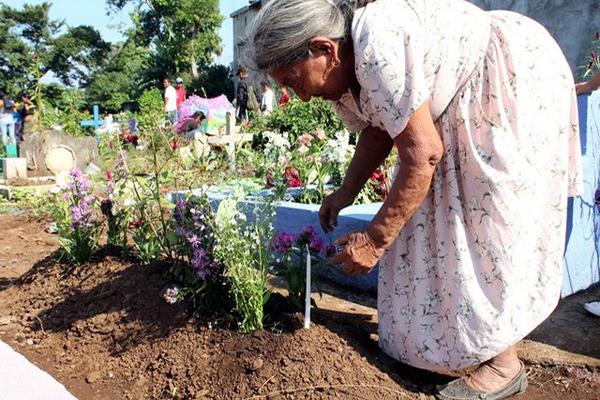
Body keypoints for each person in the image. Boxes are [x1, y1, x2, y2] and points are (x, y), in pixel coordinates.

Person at [245, 1, 582, 400]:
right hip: (454, 103)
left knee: (480, 227)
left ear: (325, 50)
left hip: (504, 80)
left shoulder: (376, 43)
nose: (297, 96)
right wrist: (345, 193)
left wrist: (373, 240)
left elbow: (423, 154)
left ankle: (502, 364)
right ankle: (444, 348)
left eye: (294, 79)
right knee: (429, 227)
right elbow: (379, 129)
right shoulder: (345, 70)